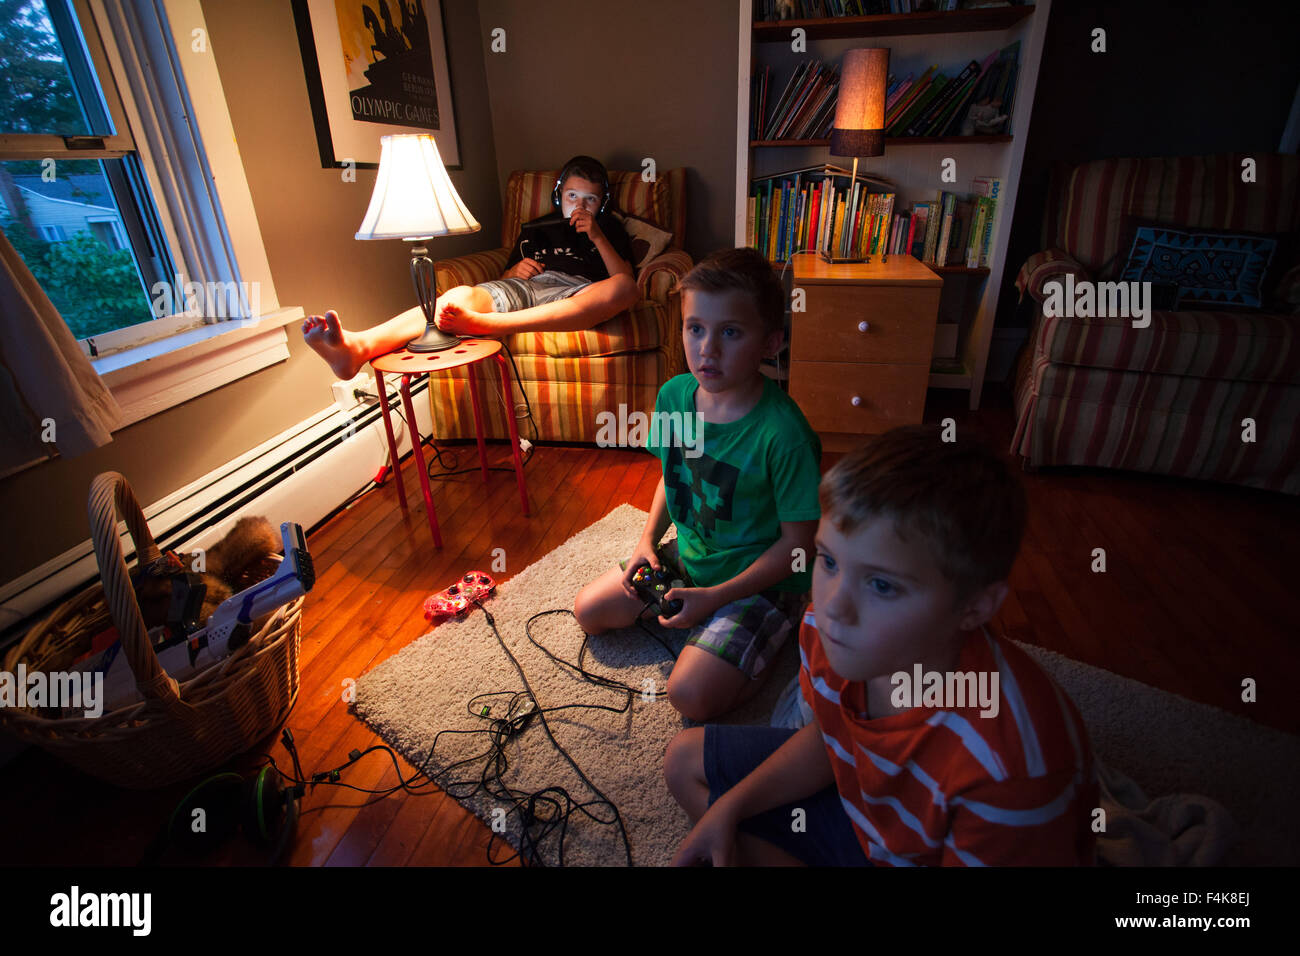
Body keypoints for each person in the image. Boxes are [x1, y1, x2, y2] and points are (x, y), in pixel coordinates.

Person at [664, 426, 1100, 866]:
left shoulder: (1012, 770)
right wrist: (730, 807)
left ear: (974, 605)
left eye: (882, 585)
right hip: (862, 815)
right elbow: (831, 738)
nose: (834, 606)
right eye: (829, 562)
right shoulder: (824, 631)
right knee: (683, 761)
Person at [573, 247, 821, 723]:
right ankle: (706, 623)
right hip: (691, 560)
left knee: (688, 694)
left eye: (730, 332)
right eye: (695, 328)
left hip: (758, 583)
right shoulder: (675, 396)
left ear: (770, 343)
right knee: (590, 611)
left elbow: (799, 545)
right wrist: (647, 542)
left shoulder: (784, 436)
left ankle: (766, 639)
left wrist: (717, 598)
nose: (707, 348)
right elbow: (673, 478)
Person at [302, 155, 639, 379]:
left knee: (624, 288)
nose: (579, 205)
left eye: (590, 199)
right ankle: (359, 346)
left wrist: (596, 234)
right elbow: (503, 280)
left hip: (578, 290)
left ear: (602, 203)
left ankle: (485, 324)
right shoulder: (537, 227)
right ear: (558, 196)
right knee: (458, 296)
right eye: (572, 196)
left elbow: (624, 280)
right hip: (531, 285)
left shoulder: (608, 228)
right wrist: (514, 272)